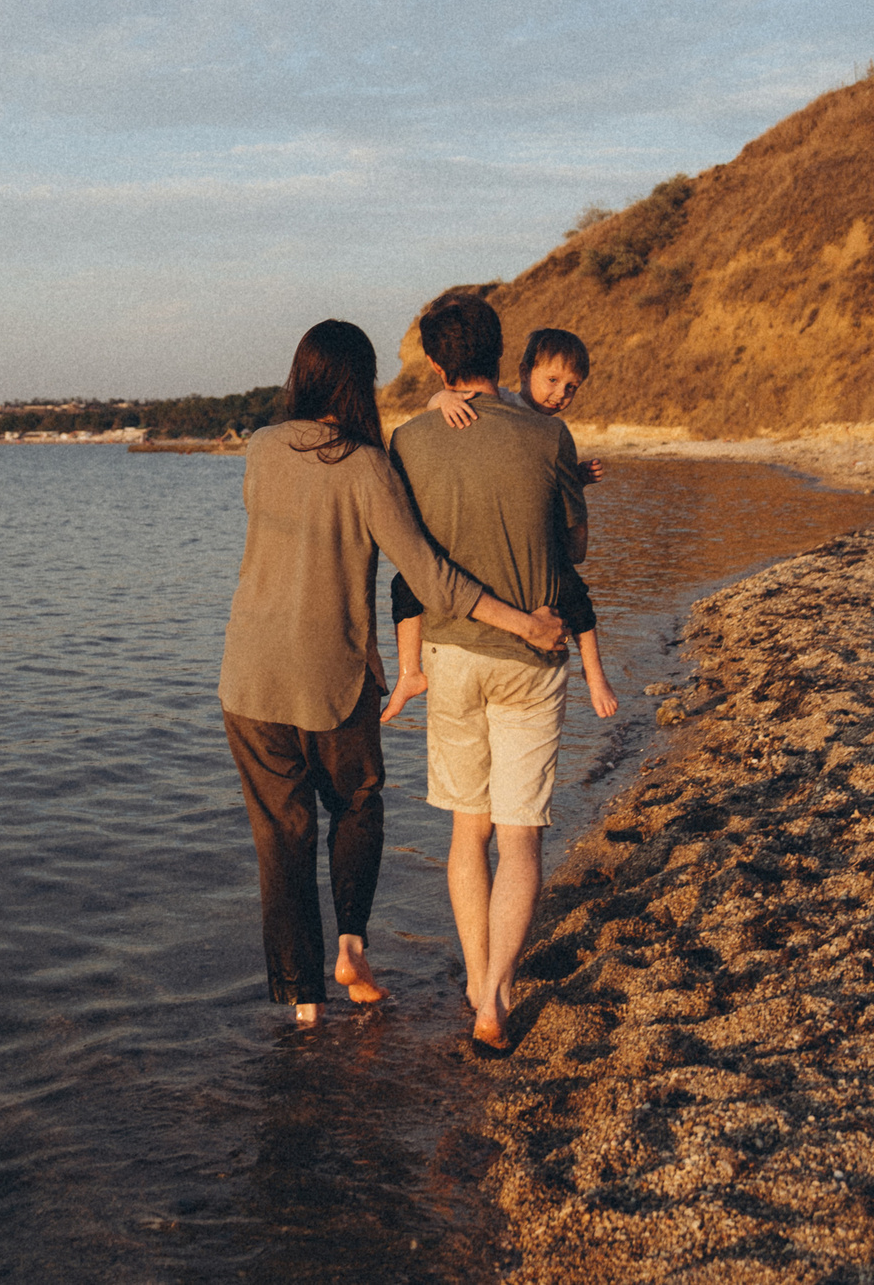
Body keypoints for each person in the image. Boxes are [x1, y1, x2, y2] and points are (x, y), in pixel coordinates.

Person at [218, 320, 565, 1027]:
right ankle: (351, 946)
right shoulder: (367, 466)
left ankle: (304, 1007)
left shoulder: (259, 448)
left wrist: (432, 408)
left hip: (248, 679)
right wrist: (524, 623)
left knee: (280, 840)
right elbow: (432, 579)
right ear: (360, 382)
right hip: (333, 678)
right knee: (357, 803)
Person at [386, 296, 591, 1053]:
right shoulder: (549, 434)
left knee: (466, 831)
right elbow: (574, 549)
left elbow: (407, 556)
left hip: (449, 654)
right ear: (505, 355)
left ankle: (476, 978)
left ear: (434, 364)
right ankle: (497, 999)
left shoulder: (410, 439)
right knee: (521, 836)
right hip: (531, 656)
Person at [384, 324, 620, 725]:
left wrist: (576, 480)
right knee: (407, 582)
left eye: (571, 388)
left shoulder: (551, 433)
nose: (560, 394)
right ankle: (409, 671)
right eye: (552, 381)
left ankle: (594, 674)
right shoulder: (509, 404)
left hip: (529, 542)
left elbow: (544, 490)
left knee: (577, 598)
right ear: (523, 371)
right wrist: (443, 398)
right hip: (519, 553)